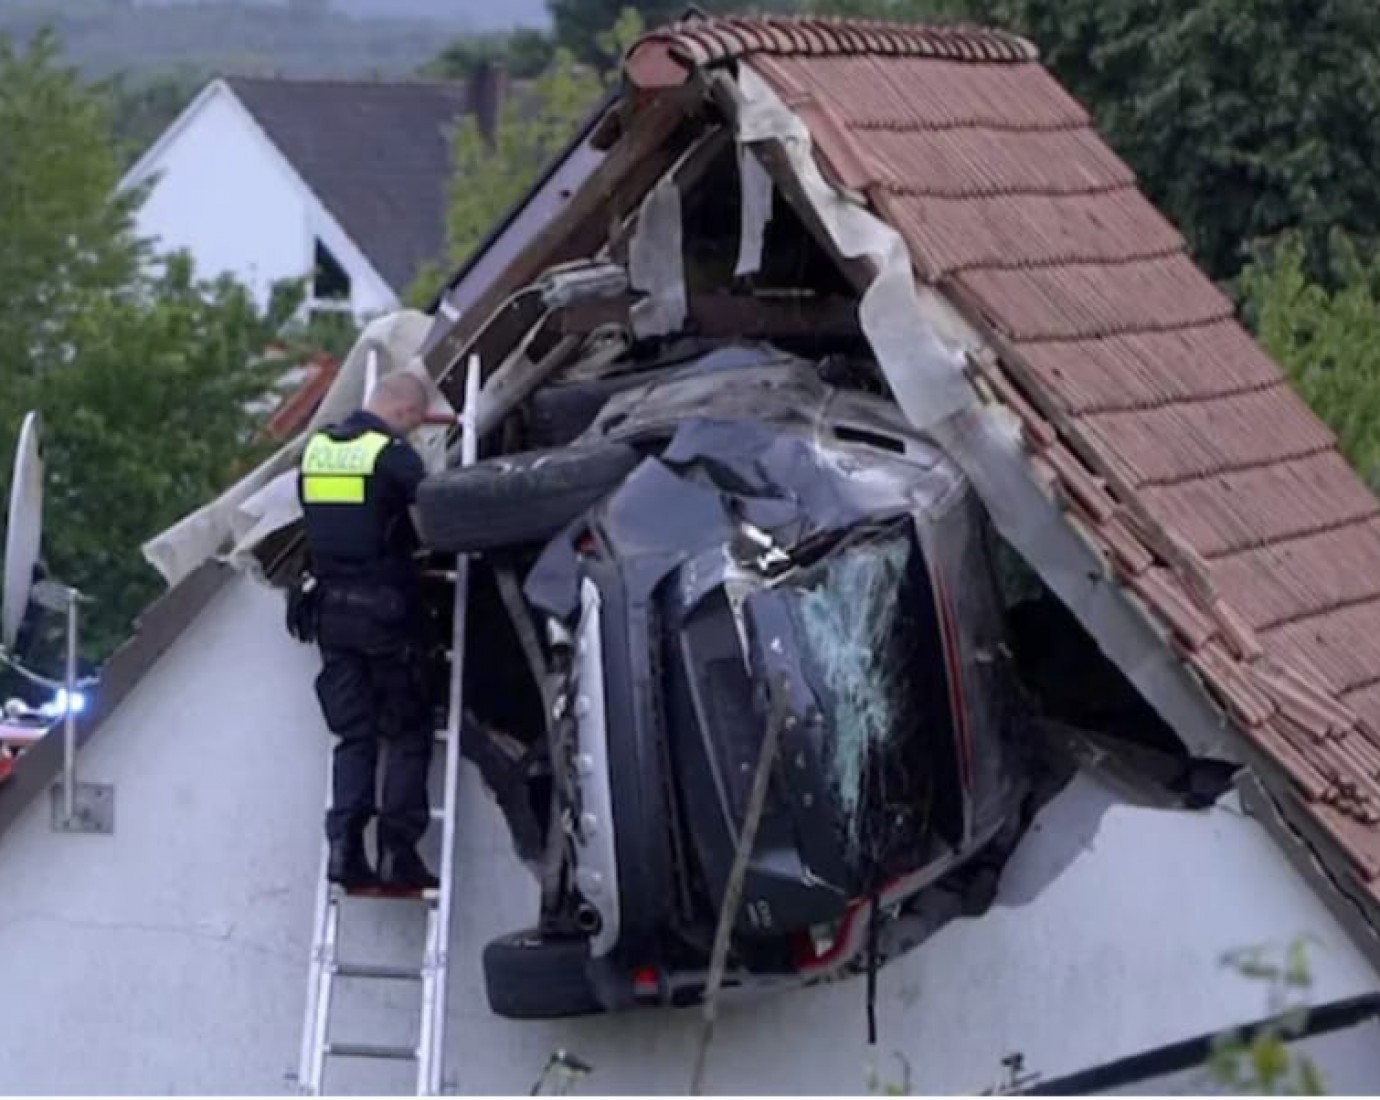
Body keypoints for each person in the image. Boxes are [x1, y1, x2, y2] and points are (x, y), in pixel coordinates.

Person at [298, 371, 438, 891]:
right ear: (403, 412)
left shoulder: (316, 450)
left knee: (354, 735)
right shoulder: (392, 454)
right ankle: (398, 855)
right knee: (406, 730)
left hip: (329, 614)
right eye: (416, 424)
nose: (414, 433)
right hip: (385, 613)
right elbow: (435, 514)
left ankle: (345, 851)